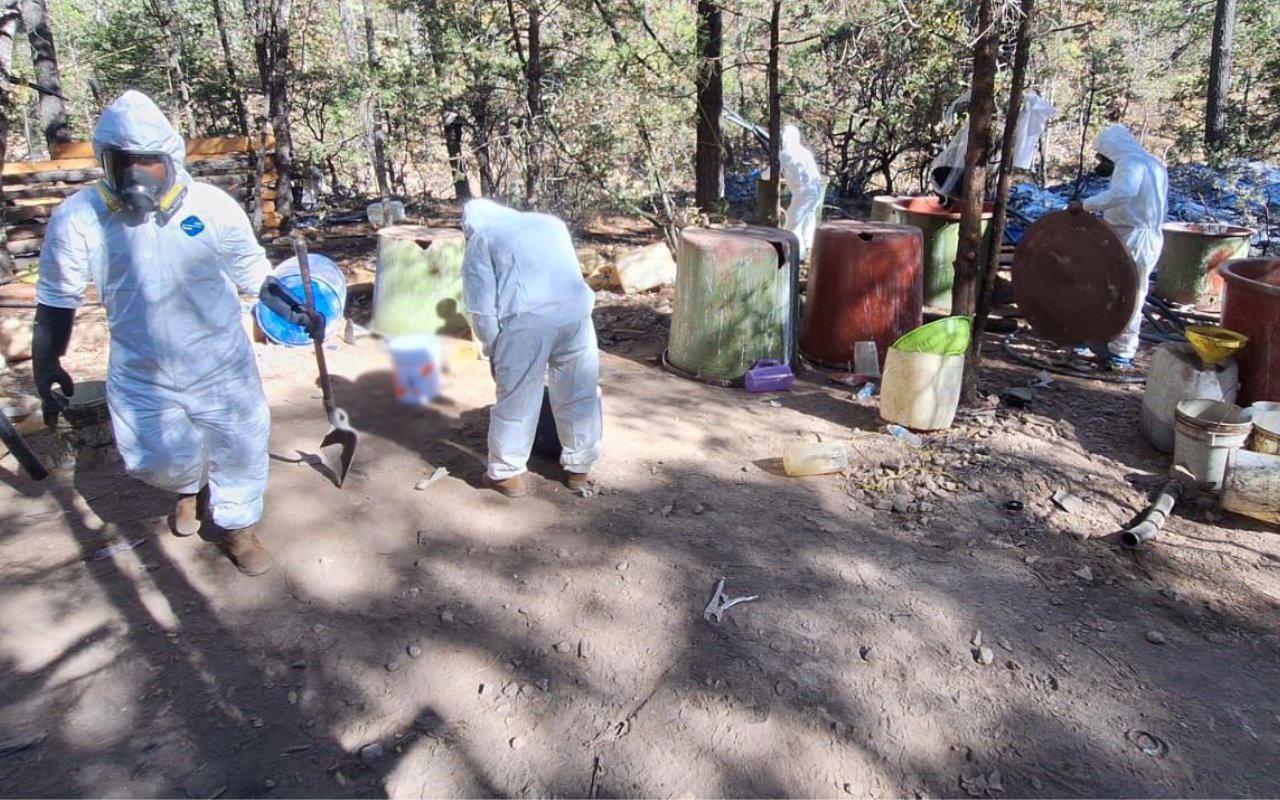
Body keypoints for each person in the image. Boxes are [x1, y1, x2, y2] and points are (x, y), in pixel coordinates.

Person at [32, 90, 315, 576]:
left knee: (241, 447)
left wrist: (295, 310)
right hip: (141, 366)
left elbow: (251, 271)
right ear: (106, 163)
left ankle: (237, 528)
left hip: (219, 362)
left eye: (149, 162)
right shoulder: (82, 217)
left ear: (170, 160)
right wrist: (46, 360)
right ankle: (190, 484)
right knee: (152, 458)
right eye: (125, 163)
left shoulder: (210, 206)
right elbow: (57, 295)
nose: (137, 176)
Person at [460, 199, 602, 497]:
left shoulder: (482, 237)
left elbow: (482, 307)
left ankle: (506, 475)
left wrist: (493, 348)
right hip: (576, 313)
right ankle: (580, 469)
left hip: (528, 321)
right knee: (579, 392)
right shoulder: (550, 223)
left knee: (518, 396)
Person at [1077, 124, 1169, 368]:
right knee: (1108, 288)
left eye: (1102, 158)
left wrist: (1085, 205)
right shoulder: (1153, 163)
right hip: (1130, 233)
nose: (1101, 164)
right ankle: (1100, 339)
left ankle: (1122, 351)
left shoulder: (1130, 163)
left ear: (1111, 152)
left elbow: (1123, 193)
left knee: (1131, 293)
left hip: (1135, 237)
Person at [779, 125, 823, 260]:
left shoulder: (785, 153)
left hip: (803, 192)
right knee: (808, 220)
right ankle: (808, 250)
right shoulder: (803, 151)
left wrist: (761, 175)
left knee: (793, 223)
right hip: (815, 190)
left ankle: (796, 255)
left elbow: (772, 171)